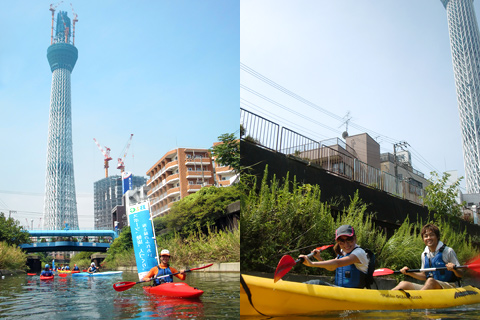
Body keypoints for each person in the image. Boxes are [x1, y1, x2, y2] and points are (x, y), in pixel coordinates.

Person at [298, 224, 372, 288]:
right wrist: (319, 258)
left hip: (354, 294)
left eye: (349, 240)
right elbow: (331, 267)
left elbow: (337, 263)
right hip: (342, 292)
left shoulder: (359, 253)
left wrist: (312, 264)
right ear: (338, 242)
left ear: (355, 238)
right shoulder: (343, 252)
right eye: (342, 242)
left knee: (316, 283)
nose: (346, 245)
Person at [392, 223, 462, 290]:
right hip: (431, 286)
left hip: (449, 286)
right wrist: (409, 273)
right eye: (426, 236)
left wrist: (454, 269)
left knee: (430, 281)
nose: (429, 238)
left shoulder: (448, 251)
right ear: (423, 239)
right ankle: (386, 297)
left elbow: (460, 273)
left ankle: (417, 299)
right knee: (403, 284)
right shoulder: (424, 254)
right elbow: (424, 275)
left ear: (437, 237)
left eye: (431, 235)